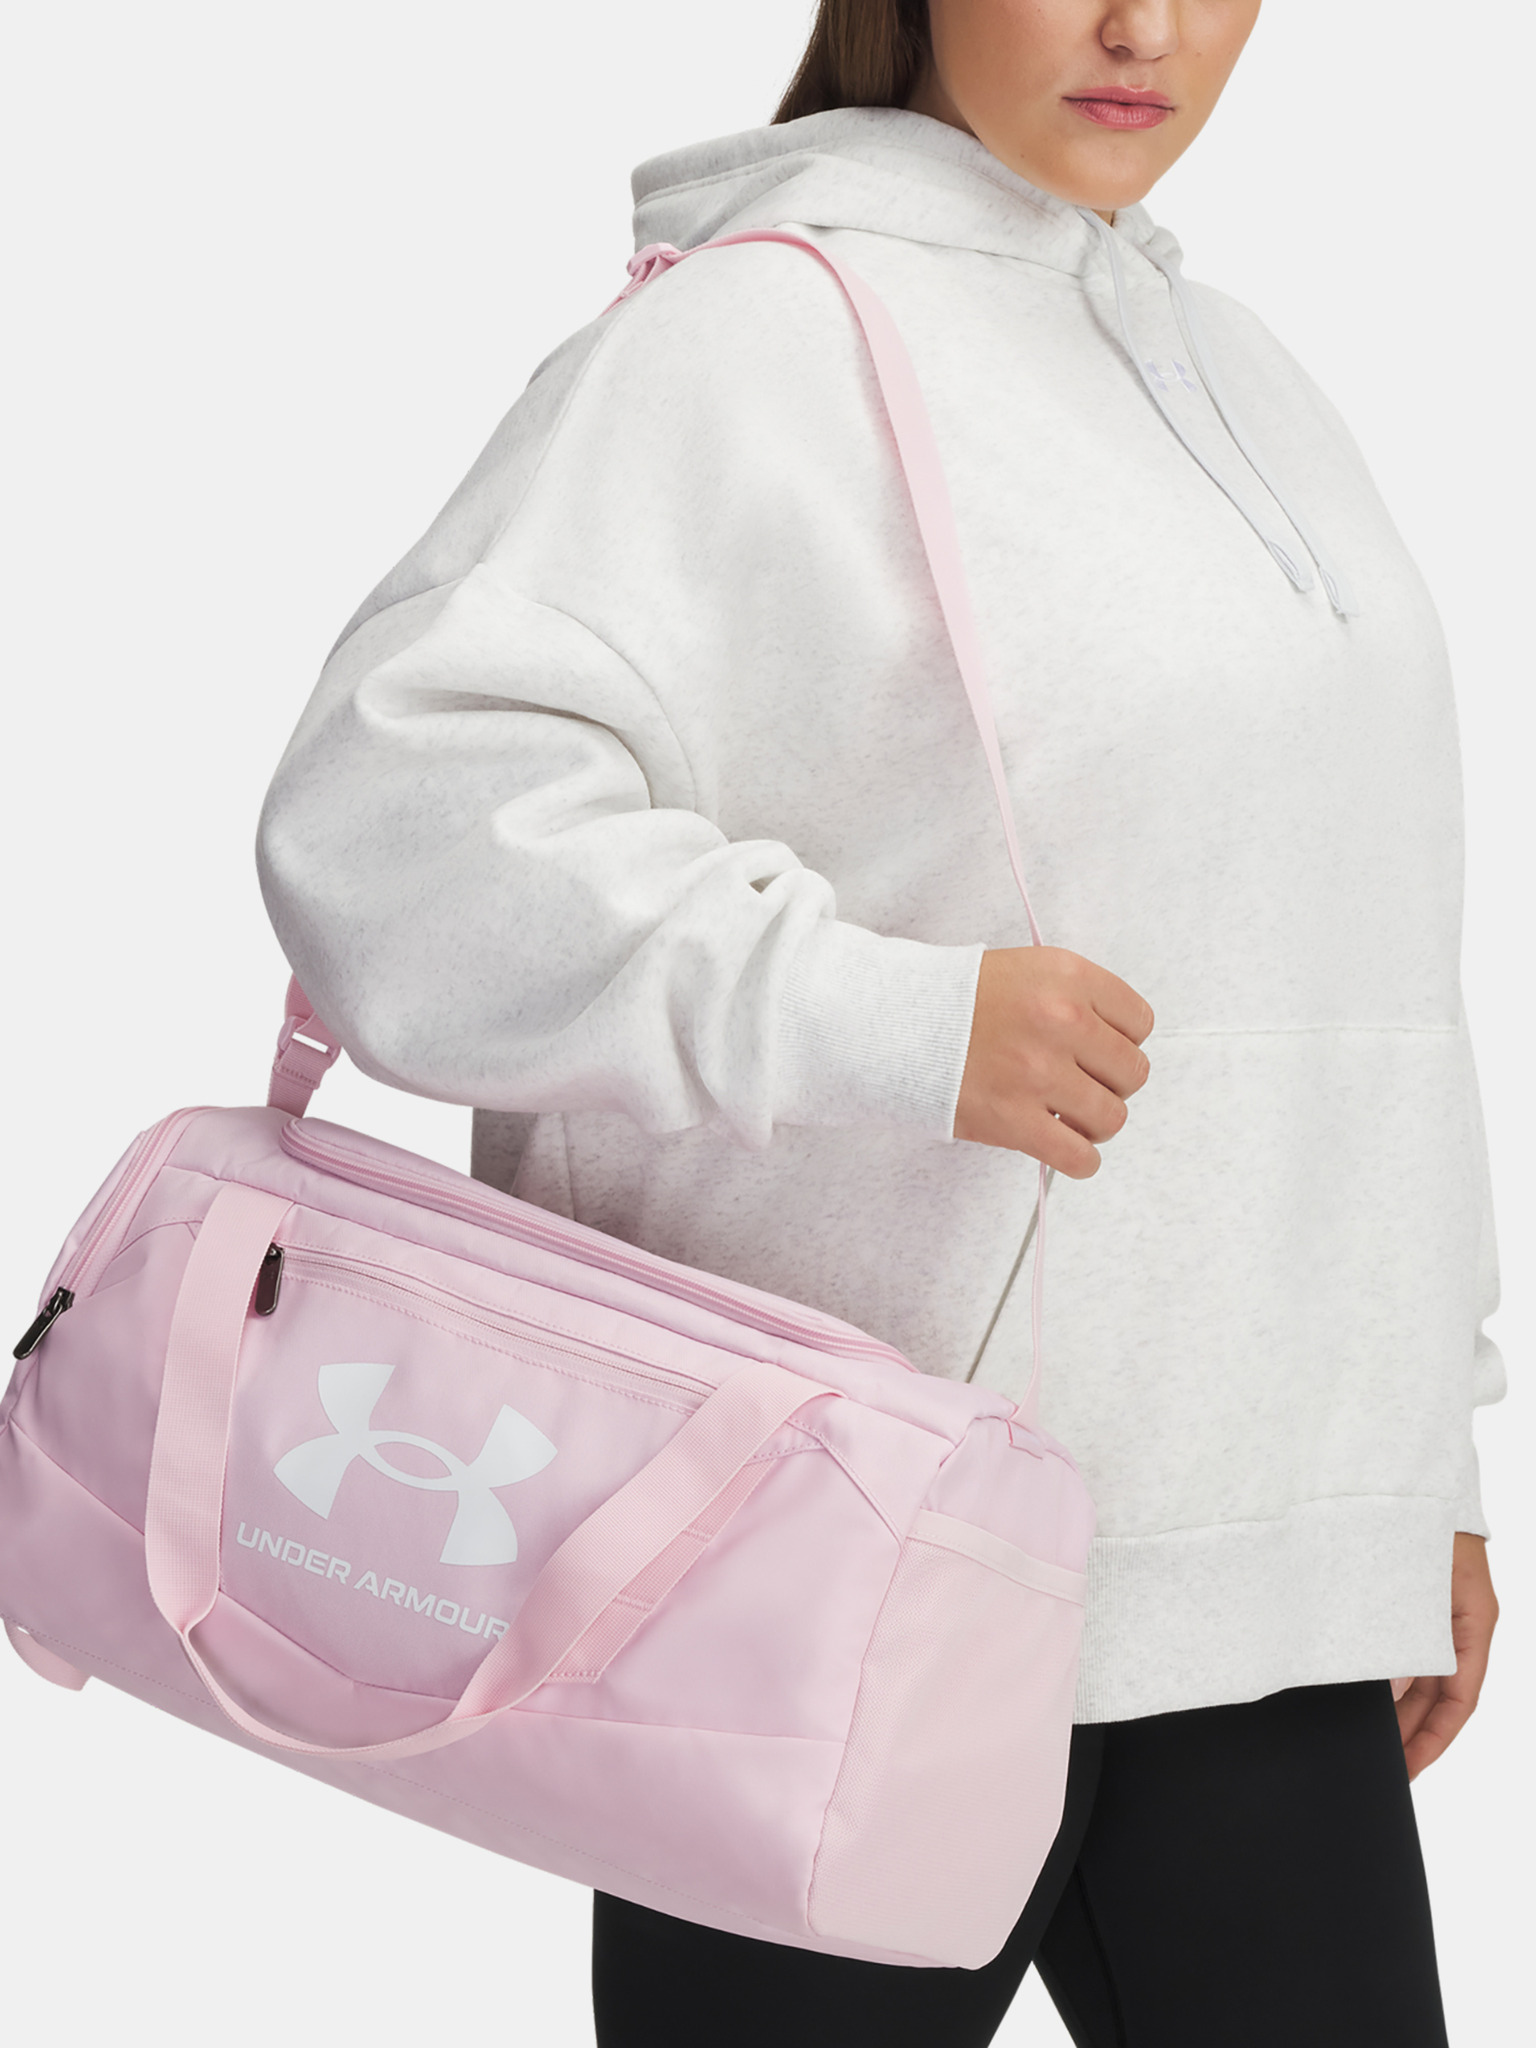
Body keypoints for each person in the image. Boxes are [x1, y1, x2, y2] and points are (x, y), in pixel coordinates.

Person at [256, 2, 1504, 2042]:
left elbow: (1362, 958)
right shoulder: (747, 342)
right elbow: (390, 830)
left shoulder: (1246, 373)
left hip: (1246, 1596)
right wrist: (886, 1019)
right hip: (830, 1583)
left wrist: (1410, 1460)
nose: (1145, 25)